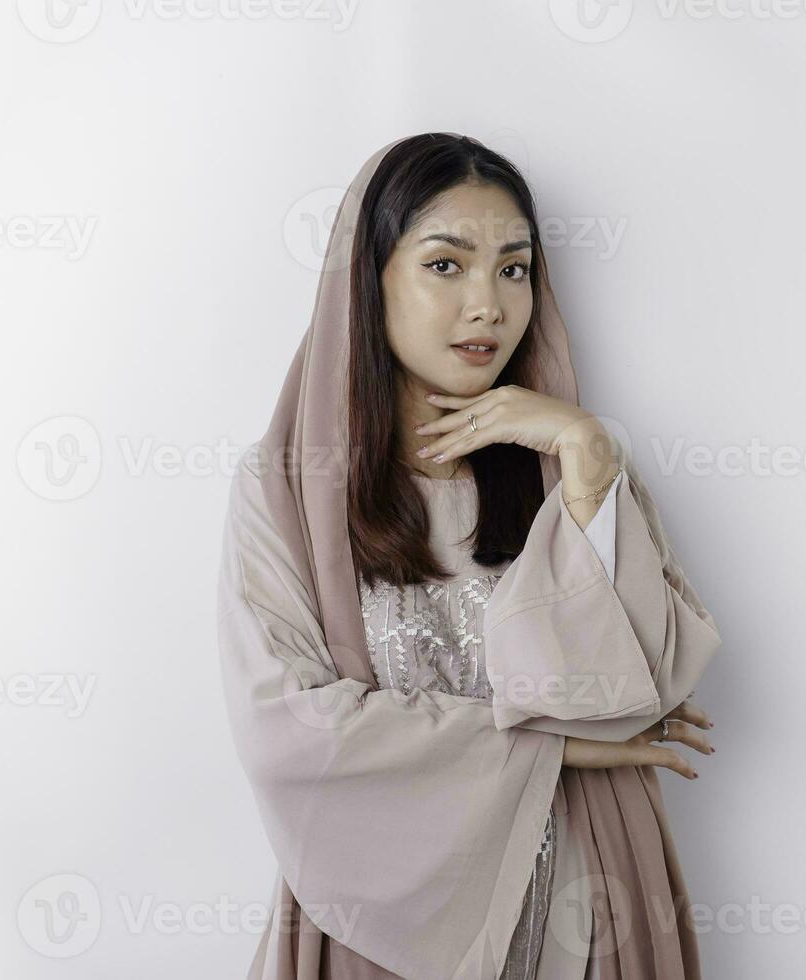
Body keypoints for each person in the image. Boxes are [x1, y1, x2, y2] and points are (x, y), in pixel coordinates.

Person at [217, 132, 724, 979]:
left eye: (514, 269)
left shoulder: (572, 468)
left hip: (589, 895)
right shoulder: (288, 491)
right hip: (384, 925)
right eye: (445, 265)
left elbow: (650, 680)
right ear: (367, 279)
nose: (488, 304)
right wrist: (552, 747)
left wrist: (588, 460)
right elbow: (291, 735)